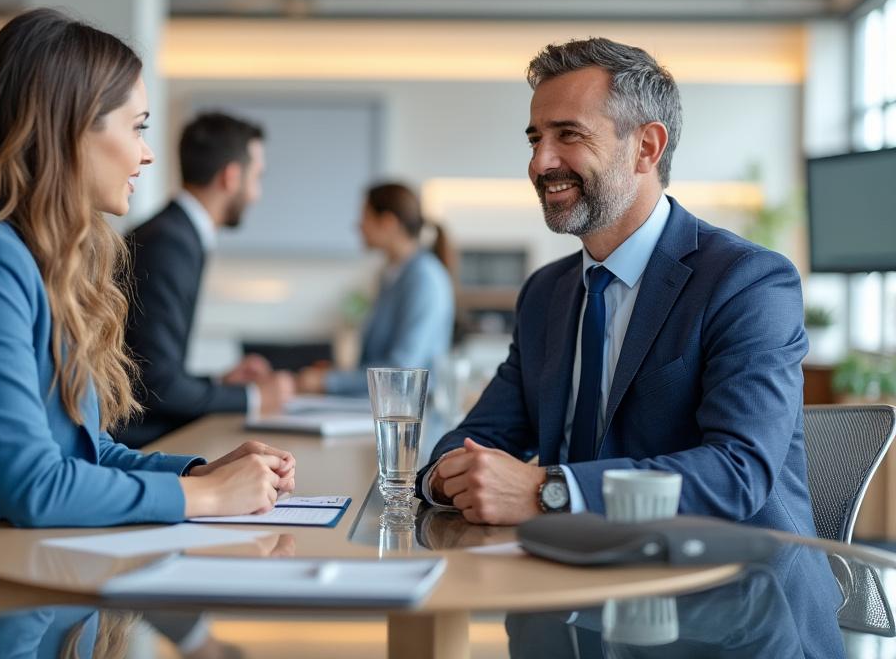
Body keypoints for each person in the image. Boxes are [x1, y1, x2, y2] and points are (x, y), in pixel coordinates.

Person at [418, 37, 836, 601]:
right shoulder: (545, 293)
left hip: (733, 604)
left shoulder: (747, 281)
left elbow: (738, 472)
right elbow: (480, 436)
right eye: (536, 139)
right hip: (569, 595)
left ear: (646, 147)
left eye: (568, 135)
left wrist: (549, 490)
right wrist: (446, 475)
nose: (540, 162)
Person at [0, 8, 295, 559]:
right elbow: (36, 487)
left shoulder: (43, 259)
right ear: (71, 129)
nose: (147, 153)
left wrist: (199, 472)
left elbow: (81, 451)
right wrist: (207, 496)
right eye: (137, 127)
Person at [119, 112, 294, 448]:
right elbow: (156, 387)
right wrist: (254, 397)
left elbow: (152, 370)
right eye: (257, 177)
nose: (257, 194)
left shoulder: (174, 233)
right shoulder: (169, 243)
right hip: (136, 446)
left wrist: (218, 383)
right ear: (231, 177)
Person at [296, 182, 455, 397]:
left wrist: (329, 381)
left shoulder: (424, 278)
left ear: (388, 223)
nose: (358, 226)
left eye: (365, 217)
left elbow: (402, 370)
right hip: (386, 406)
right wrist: (337, 374)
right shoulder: (391, 274)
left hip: (411, 412)